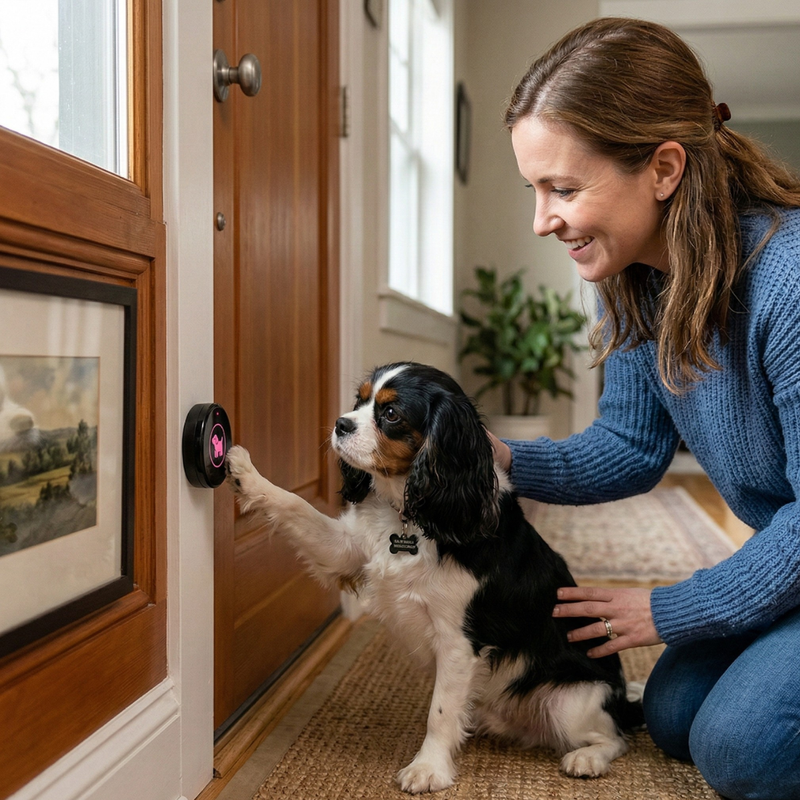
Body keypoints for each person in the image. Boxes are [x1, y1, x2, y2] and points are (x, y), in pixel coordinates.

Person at [489, 16, 800, 800]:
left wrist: (675, 606)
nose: (543, 218)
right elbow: (630, 444)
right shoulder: (635, 282)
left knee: (741, 748)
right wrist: (501, 461)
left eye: (563, 188)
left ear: (663, 167)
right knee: (669, 714)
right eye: (535, 189)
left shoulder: (790, 283)